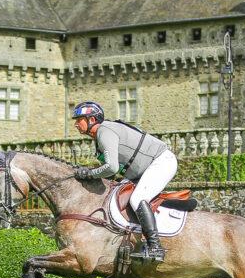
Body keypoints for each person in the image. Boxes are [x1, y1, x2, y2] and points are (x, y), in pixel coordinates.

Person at [70, 102, 177, 262]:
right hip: (142, 171)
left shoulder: (104, 131)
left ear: (91, 119)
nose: (76, 124)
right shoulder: (101, 133)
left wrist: (90, 174)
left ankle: (155, 247)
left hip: (161, 162)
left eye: (79, 119)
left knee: (137, 199)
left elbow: (111, 167)